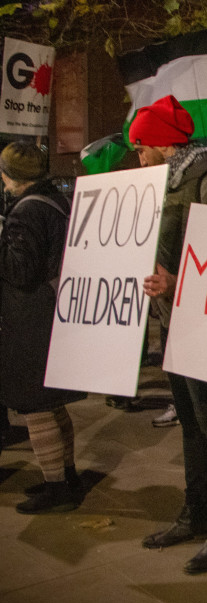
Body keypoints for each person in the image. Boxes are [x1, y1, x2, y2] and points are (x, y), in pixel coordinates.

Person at [132, 95, 207, 574]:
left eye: (141, 145)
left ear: (163, 142)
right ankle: (196, 513)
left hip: (205, 327)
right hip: (173, 322)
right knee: (190, 422)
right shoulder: (172, 181)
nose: (137, 155)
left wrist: (177, 284)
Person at [0, 142, 86, 514]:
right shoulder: (53, 200)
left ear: (12, 175)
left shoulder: (26, 212)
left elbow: (20, 271)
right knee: (52, 405)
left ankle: (57, 488)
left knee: (34, 408)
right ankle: (66, 475)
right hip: (54, 314)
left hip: (31, 319)